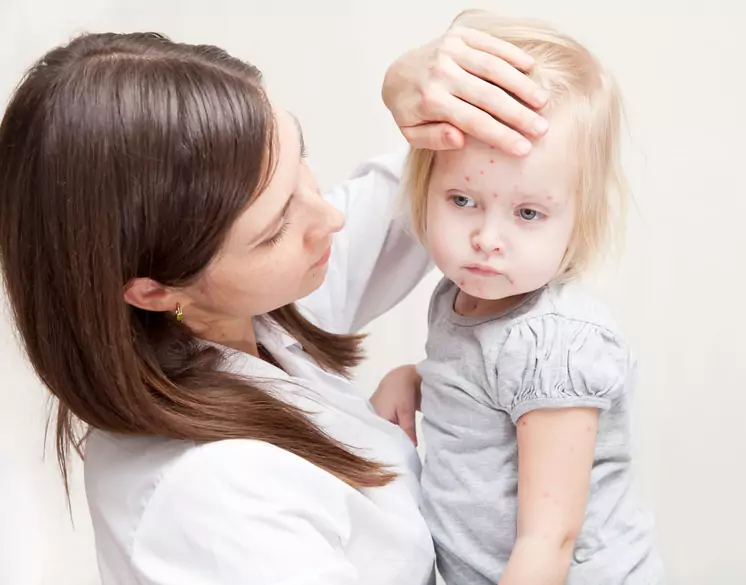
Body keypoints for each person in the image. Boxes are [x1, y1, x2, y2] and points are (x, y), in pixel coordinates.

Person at [0, 19, 550, 585]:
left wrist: (422, 90)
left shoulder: (235, 311)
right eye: (276, 226)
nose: (328, 216)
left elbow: (416, 201)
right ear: (155, 290)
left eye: (299, 164)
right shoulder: (215, 500)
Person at [370, 11, 664, 585]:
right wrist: (414, 378)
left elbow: (548, 539)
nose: (487, 238)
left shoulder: (554, 343)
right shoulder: (460, 295)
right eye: (461, 200)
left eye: (528, 213)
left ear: (580, 218)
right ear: (425, 187)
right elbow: (484, 396)